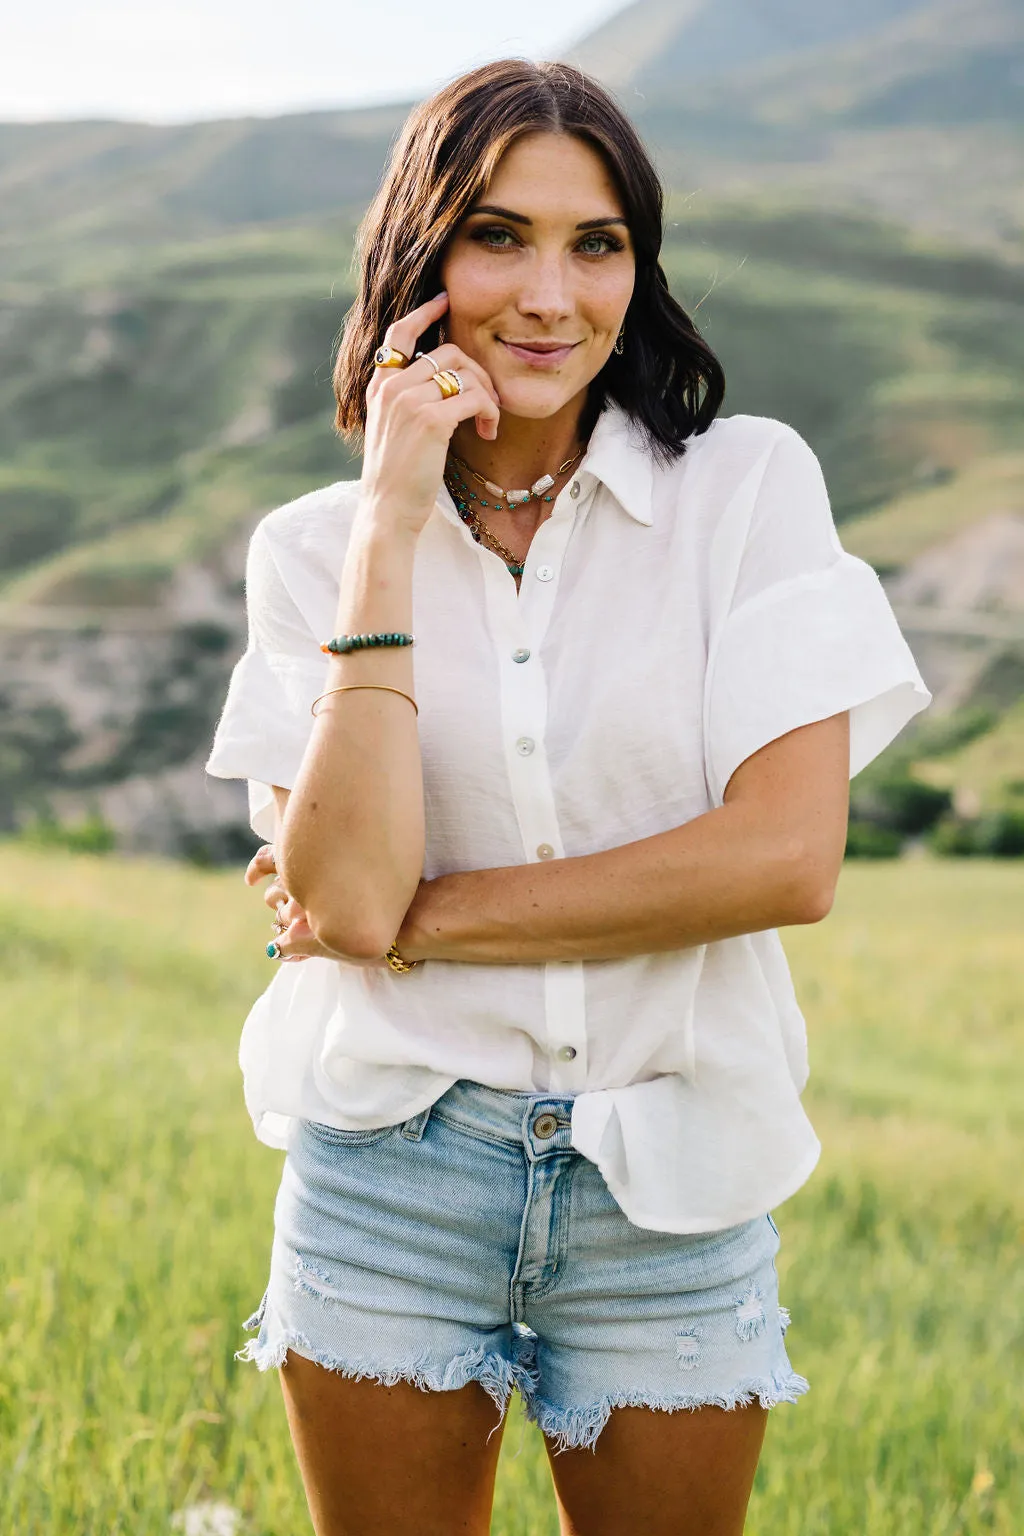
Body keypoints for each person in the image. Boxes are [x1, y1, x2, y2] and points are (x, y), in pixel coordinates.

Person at [206, 58, 930, 1536]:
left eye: (595, 244)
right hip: (390, 1175)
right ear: (420, 264)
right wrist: (390, 532)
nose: (551, 294)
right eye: (497, 237)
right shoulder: (312, 550)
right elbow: (338, 904)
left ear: (637, 270)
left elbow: (786, 858)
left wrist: (422, 920)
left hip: (669, 1181)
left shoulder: (747, 494)